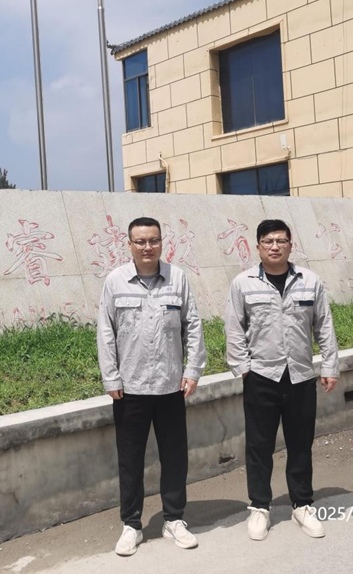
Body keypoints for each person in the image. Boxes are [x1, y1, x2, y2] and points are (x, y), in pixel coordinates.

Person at [97, 216, 206, 556]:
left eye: (154, 240)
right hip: (129, 388)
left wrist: (193, 370)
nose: (148, 247)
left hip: (171, 385)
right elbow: (105, 331)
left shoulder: (178, 278)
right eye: (141, 241)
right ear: (129, 245)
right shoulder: (115, 281)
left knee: (175, 457)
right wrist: (111, 376)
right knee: (130, 460)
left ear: (162, 242)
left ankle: (174, 519)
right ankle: (131, 525)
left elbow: (193, 324)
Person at [224, 219, 339, 541]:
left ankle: (302, 504)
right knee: (259, 446)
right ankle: (260, 507)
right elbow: (234, 327)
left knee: (301, 443)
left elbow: (324, 325)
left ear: (290, 245)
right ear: (258, 246)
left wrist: (330, 366)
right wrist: (243, 368)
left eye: (281, 241)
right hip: (261, 376)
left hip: (300, 376)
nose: (275, 246)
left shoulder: (310, 281)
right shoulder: (243, 283)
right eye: (268, 241)